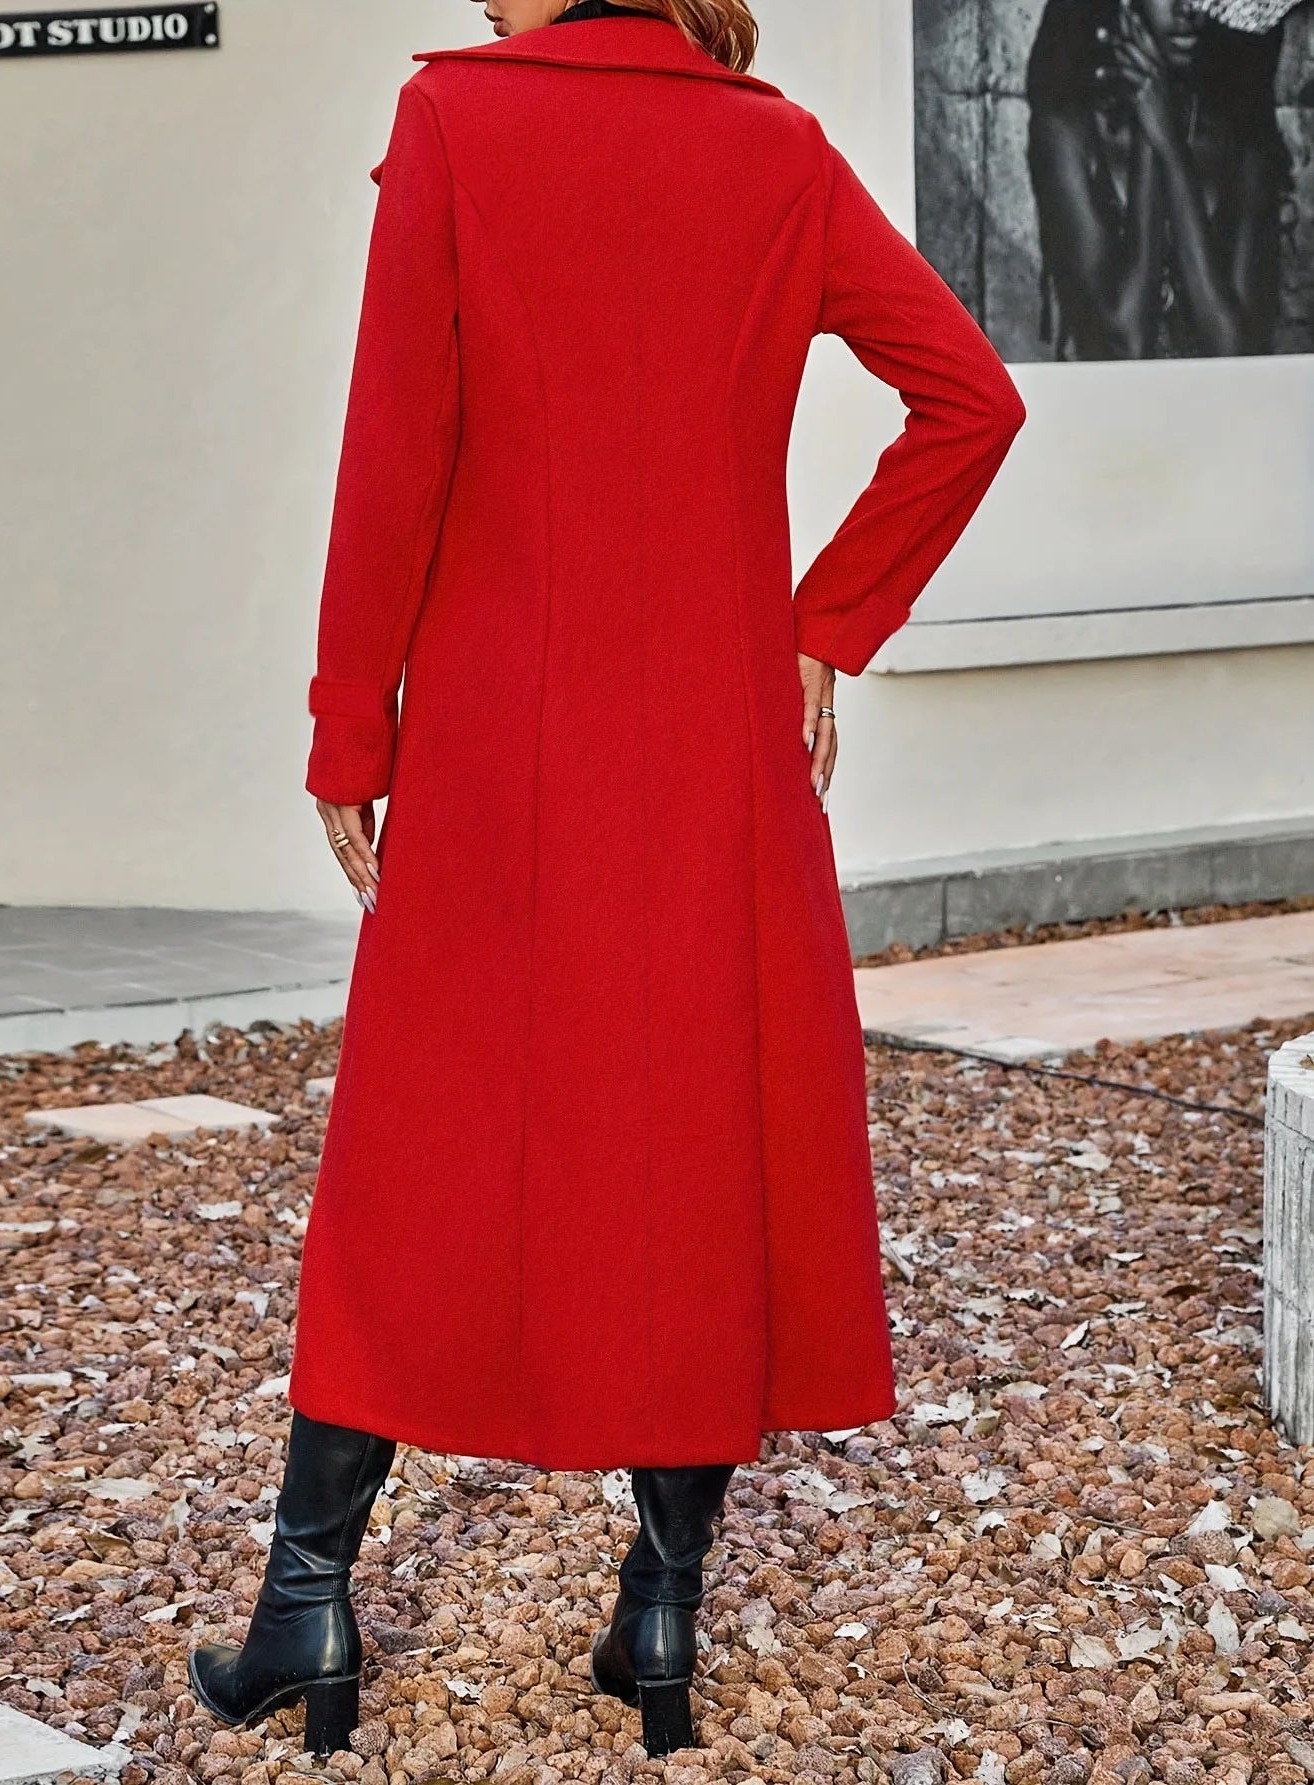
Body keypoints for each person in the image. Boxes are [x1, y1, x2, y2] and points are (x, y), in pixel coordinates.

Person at [188, 0, 1024, 1761]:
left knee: (416, 1148)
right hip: (716, 735)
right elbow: (972, 398)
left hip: (496, 731)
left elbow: (396, 448)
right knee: (691, 1137)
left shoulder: (456, 122)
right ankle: (661, 1611)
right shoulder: (772, 147)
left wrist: (350, 722)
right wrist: (826, 625)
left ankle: (307, 1605)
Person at [1027, 0, 1296, 359]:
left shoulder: (1243, 145)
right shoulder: (1066, 137)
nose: (1189, 8)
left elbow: (1236, 352)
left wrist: (1168, 141)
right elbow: (1127, 344)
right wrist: (1148, 129)